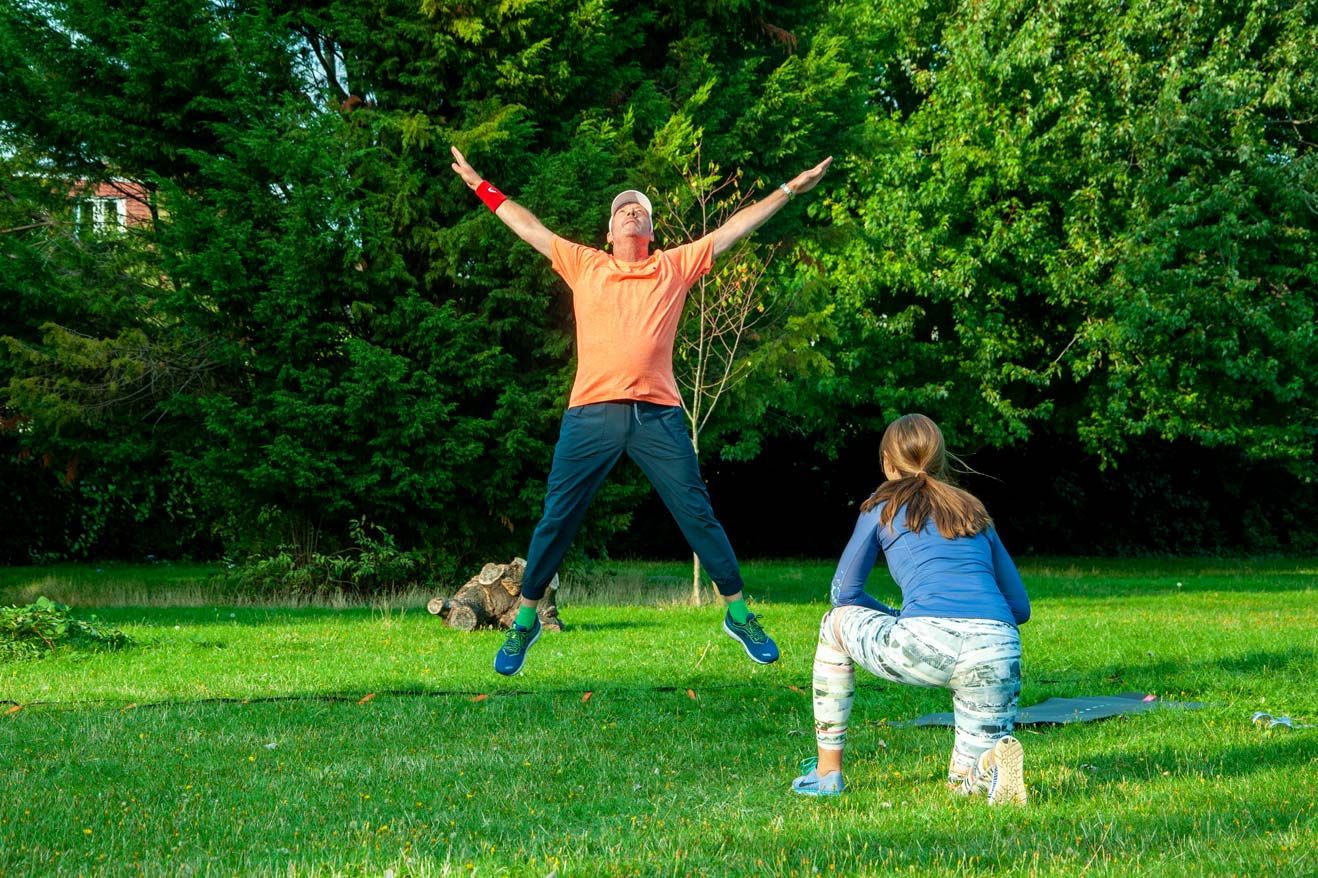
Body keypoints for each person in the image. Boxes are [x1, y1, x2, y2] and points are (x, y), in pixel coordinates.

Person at [449, 145, 833, 676]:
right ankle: (526, 621)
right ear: (609, 232)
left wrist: (791, 188)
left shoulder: (673, 267)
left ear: (651, 231)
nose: (632, 211)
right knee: (556, 519)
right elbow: (527, 225)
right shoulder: (583, 263)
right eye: (623, 209)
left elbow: (736, 227)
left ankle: (738, 614)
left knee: (697, 514)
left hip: (657, 416)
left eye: (641, 210)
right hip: (591, 413)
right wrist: (479, 185)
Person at [791, 413, 1031, 804]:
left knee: (833, 624)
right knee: (961, 789)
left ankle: (827, 772)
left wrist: (897, 616)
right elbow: (1019, 607)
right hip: (998, 647)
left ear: (887, 462)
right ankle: (989, 764)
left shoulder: (882, 505)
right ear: (940, 459)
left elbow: (843, 593)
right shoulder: (974, 510)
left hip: (925, 640)